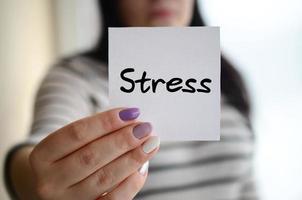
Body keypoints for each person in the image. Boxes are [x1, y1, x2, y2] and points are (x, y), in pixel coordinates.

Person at [5, 0, 257, 199]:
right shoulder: (76, 77)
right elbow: (37, 153)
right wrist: (31, 177)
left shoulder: (223, 74)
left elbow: (248, 186)